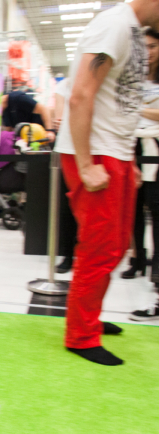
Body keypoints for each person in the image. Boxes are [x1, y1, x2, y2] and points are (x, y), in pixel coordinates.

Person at [54, 0, 159, 366]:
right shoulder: (113, 25)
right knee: (99, 247)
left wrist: (127, 158)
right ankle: (80, 336)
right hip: (95, 152)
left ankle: (90, 319)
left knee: (115, 246)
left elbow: (121, 103)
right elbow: (81, 94)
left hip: (116, 151)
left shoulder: (132, 31)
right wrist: (86, 163)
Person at [123, 28, 159, 281]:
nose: (148, 52)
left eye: (153, 47)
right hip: (130, 146)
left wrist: (139, 109)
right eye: (143, 47)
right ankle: (137, 259)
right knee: (132, 209)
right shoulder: (130, 78)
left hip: (155, 149)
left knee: (156, 208)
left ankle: (157, 263)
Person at [53, 79, 79, 274]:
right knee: (67, 208)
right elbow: (59, 118)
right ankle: (68, 255)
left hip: (94, 149)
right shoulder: (64, 86)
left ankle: (82, 256)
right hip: (68, 151)